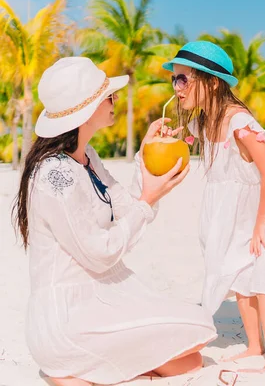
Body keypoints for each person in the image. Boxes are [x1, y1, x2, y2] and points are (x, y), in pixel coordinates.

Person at [12, 57, 217, 386]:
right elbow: (101, 251)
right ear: (89, 108)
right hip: (66, 320)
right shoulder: (55, 176)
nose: (115, 101)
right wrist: (148, 200)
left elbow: (125, 208)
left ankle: (87, 372)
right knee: (197, 330)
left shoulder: (86, 157)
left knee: (195, 346)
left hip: (99, 300)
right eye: (108, 95)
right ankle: (68, 368)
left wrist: (147, 157)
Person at [161, 41, 265, 373]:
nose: (177, 88)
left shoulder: (239, 122)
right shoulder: (204, 120)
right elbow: (189, 143)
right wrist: (168, 137)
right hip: (247, 199)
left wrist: (261, 224)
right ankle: (254, 346)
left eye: (183, 79)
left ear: (212, 82)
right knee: (239, 269)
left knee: (263, 276)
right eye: (174, 80)